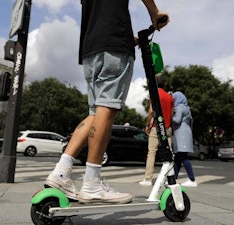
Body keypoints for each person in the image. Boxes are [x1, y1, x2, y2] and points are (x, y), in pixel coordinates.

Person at [44, 0, 169, 204]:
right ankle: (92, 183)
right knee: (107, 108)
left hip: (90, 50)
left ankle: (60, 172)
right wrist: (155, 12)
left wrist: (129, 39)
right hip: (114, 48)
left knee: (95, 112)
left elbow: (103, 15)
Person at [139, 76, 173, 186]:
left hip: (156, 127)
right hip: (167, 127)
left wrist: (147, 124)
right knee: (168, 153)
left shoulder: (154, 95)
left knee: (151, 152)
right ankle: (169, 179)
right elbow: (171, 113)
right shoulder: (169, 97)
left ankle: (148, 179)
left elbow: (150, 112)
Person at [171, 91, 197, 187]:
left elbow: (177, 120)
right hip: (185, 132)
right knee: (178, 157)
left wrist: (169, 116)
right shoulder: (186, 108)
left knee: (183, 156)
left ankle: (192, 179)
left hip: (181, 133)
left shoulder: (179, 107)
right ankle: (174, 179)